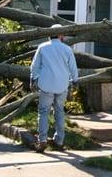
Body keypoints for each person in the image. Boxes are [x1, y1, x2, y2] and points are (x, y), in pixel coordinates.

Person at [30, 24, 79, 152]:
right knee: (59, 112)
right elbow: (73, 67)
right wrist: (75, 80)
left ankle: (42, 140)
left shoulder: (42, 47)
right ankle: (59, 141)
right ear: (60, 35)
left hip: (46, 85)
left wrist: (33, 78)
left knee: (43, 112)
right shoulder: (67, 49)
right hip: (62, 85)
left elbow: (35, 66)